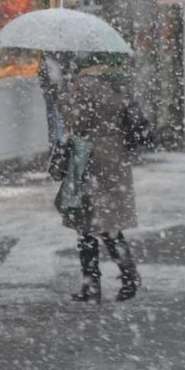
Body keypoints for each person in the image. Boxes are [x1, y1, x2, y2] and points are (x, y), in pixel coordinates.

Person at [61, 53, 141, 303]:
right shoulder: (118, 81)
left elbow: (80, 121)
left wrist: (63, 99)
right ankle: (126, 276)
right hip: (115, 156)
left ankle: (93, 283)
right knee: (108, 223)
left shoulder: (87, 83)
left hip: (92, 156)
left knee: (87, 225)